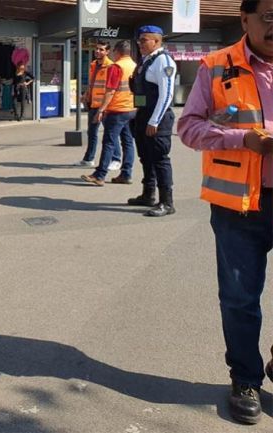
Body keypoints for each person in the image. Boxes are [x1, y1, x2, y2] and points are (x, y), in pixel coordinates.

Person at [177, 0, 273, 424]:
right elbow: (190, 128)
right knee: (239, 300)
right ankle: (246, 378)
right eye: (269, 16)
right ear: (245, 20)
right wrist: (242, 139)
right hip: (239, 207)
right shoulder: (217, 66)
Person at [129, 25, 177, 216]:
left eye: (144, 40)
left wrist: (154, 121)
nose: (140, 44)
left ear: (157, 41)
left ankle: (167, 202)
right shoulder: (146, 61)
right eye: (139, 40)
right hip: (143, 115)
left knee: (160, 159)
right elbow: (142, 92)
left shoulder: (163, 61)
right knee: (145, 157)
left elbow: (167, 94)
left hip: (157, 119)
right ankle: (148, 194)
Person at [80, 40, 137, 186]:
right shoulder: (135, 66)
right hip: (130, 109)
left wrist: (101, 109)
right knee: (128, 142)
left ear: (116, 52)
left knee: (109, 142)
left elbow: (110, 91)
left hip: (116, 110)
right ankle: (126, 173)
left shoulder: (116, 67)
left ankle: (100, 175)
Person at [75, 41, 118, 167]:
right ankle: (89, 159)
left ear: (107, 52)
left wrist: (105, 106)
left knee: (110, 134)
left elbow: (111, 88)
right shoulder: (93, 64)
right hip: (94, 104)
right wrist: (86, 95)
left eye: (101, 49)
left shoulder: (111, 66)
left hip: (105, 106)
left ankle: (116, 159)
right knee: (92, 132)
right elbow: (92, 83)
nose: (98, 51)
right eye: (97, 49)